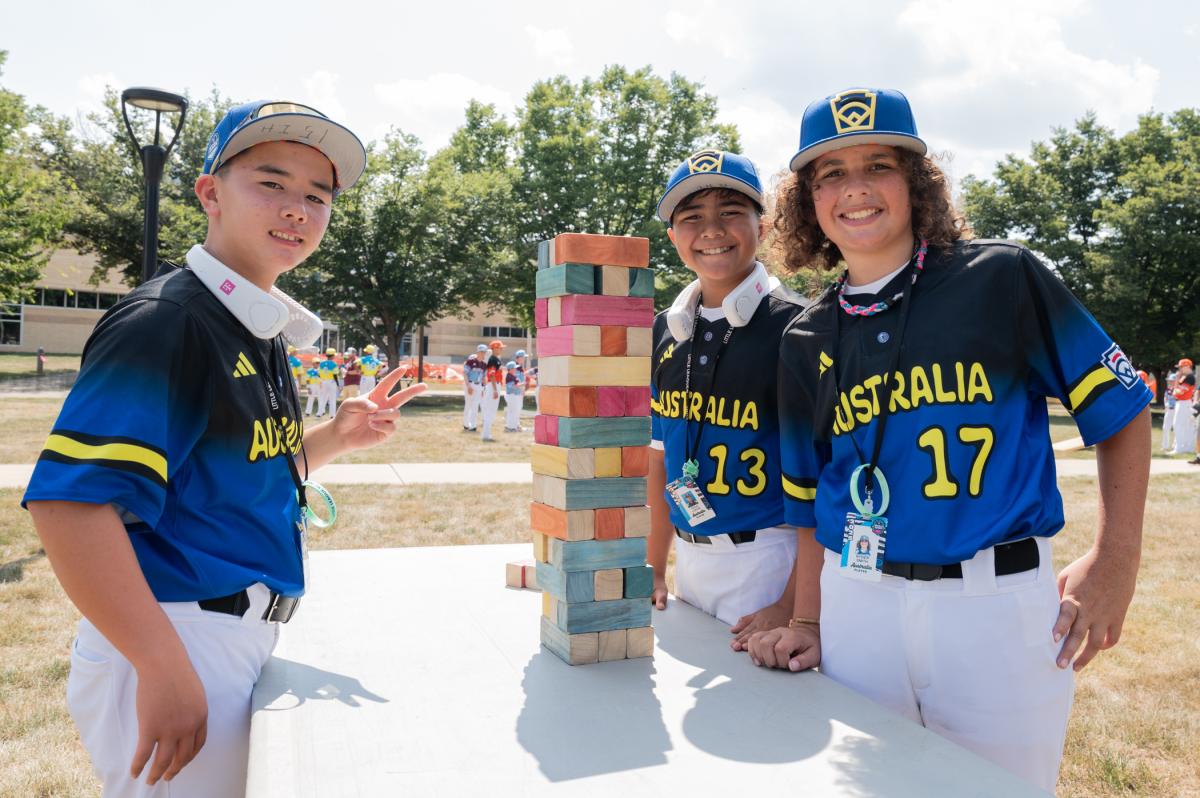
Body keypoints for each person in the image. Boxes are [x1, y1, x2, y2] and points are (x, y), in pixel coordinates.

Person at [21, 99, 427, 797]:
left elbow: (241, 468)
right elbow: (70, 506)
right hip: (179, 633)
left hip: (227, 633)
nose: (296, 208)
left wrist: (337, 436)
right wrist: (161, 663)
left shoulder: (254, 321)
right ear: (209, 193)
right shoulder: (167, 322)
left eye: (317, 195)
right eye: (270, 183)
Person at [752, 87, 1152, 792]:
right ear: (807, 202)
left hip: (994, 607)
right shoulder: (804, 336)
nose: (856, 189)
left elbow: (1120, 413)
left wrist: (1115, 559)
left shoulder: (1000, 277)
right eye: (831, 175)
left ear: (916, 182)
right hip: (860, 605)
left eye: (879, 164)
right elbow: (810, 501)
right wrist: (809, 617)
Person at [646, 148, 814, 642]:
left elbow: (824, 483)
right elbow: (658, 460)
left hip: (770, 562)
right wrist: (655, 565)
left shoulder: (801, 328)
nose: (712, 230)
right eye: (692, 217)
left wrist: (791, 605)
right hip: (692, 560)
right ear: (674, 236)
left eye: (731, 213)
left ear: (762, 226)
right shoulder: (667, 329)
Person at [1170, 358, 1195, 455]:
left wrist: (1175, 390)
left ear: (1187, 366)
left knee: (1179, 425)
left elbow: (1178, 392)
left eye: (1181, 367)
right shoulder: (1184, 377)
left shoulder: (1190, 377)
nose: (1179, 369)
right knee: (1182, 425)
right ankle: (1184, 447)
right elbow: (1174, 392)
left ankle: (1180, 448)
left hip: (1184, 403)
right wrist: (1176, 380)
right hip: (1182, 403)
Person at [479, 345, 504, 441]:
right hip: (493, 385)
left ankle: (487, 434)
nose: (501, 349)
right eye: (500, 348)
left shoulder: (495, 359)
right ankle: (486, 435)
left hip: (494, 385)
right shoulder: (493, 360)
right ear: (495, 348)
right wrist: (494, 390)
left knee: (491, 411)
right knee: (490, 411)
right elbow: (491, 375)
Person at [462, 344, 487, 431]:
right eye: (482, 352)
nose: (483, 354)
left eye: (484, 352)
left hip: (479, 386)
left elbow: (483, 377)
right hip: (470, 384)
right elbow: (465, 373)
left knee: (475, 406)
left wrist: (484, 388)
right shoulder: (470, 362)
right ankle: (466, 424)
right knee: (468, 404)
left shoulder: (484, 365)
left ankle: (473, 425)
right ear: (478, 352)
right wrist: (468, 386)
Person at [504, 349, 528, 432]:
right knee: (514, 409)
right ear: (519, 358)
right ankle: (513, 425)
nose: (524, 359)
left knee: (517, 409)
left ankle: (515, 425)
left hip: (518, 391)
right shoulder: (515, 367)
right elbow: (516, 382)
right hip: (515, 392)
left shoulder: (520, 367)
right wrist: (522, 388)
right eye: (523, 357)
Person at [315, 347, 340, 418]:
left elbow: (319, 374)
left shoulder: (321, 363)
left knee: (323, 398)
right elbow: (335, 375)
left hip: (323, 381)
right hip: (331, 382)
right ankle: (332, 415)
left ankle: (319, 413)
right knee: (332, 398)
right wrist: (338, 385)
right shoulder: (334, 364)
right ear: (332, 356)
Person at [1162, 367, 1178, 451]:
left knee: (1176, 428)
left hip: (1176, 410)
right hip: (1169, 410)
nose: (1170, 382)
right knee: (1165, 427)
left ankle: (1175, 445)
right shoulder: (1168, 389)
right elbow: (1166, 398)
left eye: (1172, 380)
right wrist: (1166, 405)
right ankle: (1165, 446)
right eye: (1170, 380)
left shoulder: (1178, 389)